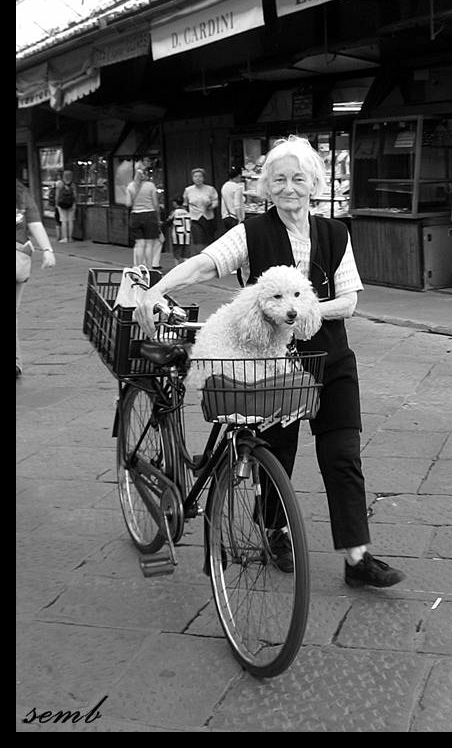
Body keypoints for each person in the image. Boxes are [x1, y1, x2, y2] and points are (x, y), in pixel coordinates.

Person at [134, 136, 406, 589]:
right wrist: (159, 288)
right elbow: (205, 263)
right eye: (278, 179)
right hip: (269, 364)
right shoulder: (252, 233)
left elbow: (350, 301)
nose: (289, 188)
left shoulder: (335, 233)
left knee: (342, 454)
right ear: (266, 187)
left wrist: (302, 311)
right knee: (276, 451)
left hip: (329, 358)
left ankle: (357, 557)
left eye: (299, 178)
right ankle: (275, 531)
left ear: (314, 183)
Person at [16, 179, 56, 378]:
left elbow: (34, 222)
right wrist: (47, 250)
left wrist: (48, 249)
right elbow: (34, 223)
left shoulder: (22, 193)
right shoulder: (22, 192)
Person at [125, 168, 160, 270]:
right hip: (149, 215)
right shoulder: (150, 186)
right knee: (149, 244)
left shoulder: (130, 186)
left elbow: (128, 204)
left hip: (135, 216)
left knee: (139, 245)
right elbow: (156, 204)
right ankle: (149, 269)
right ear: (145, 175)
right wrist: (157, 217)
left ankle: (139, 268)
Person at [182, 168, 218, 255]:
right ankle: (200, 255)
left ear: (203, 178)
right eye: (195, 176)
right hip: (194, 218)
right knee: (198, 239)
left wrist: (212, 206)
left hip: (208, 216)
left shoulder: (210, 189)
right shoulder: (188, 190)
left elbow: (215, 201)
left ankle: (210, 255)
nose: (198, 178)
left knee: (209, 239)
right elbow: (185, 204)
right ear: (192, 178)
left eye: (200, 176)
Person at [166, 199, 192, 265]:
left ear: (175, 203)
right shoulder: (187, 211)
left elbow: (168, 221)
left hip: (177, 234)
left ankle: (176, 266)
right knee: (186, 250)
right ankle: (186, 265)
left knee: (176, 250)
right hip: (187, 234)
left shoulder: (174, 212)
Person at [220, 166, 245, 232]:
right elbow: (237, 205)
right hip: (235, 218)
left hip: (226, 217)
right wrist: (240, 219)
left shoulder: (225, 186)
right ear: (238, 176)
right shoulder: (237, 187)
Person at [55, 169, 77, 243]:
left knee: (63, 221)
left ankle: (65, 238)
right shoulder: (73, 184)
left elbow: (57, 195)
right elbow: (75, 195)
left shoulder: (60, 183)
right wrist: (74, 202)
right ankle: (70, 237)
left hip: (61, 204)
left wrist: (56, 203)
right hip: (71, 204)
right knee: (71, 220)